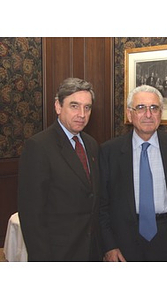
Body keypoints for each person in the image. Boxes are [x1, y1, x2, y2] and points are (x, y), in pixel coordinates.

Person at [99, 85, 167, 261]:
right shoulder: (110, 151)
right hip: (124, 241)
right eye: (141, 108)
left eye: (154, 108)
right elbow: (101, 205)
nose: (148, 114)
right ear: (129, 114)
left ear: (161, 114)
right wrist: (109, 245)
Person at [18, 77, 102, 261]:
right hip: (57, 254)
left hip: (91, 251)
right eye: (74, 106)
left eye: (87, 107)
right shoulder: (39, 147)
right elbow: (32, 215)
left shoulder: (91, 144)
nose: (82, 114)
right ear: (58, 106)